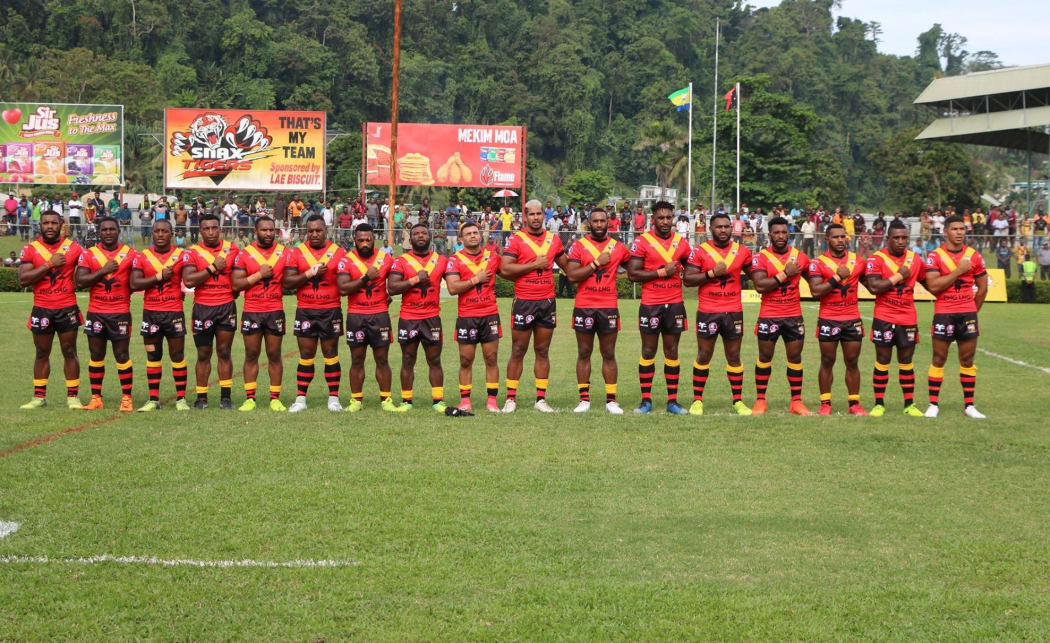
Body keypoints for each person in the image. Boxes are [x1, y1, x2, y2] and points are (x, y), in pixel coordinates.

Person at [499, 199, 569, 413]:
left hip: (547, 302)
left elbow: (570, 268)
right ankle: (511, 398)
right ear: (525, 216)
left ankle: (541, 399)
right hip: (524, 302)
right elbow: (505, 269)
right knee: (518, 350)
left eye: (539, 214)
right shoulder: (516, 239)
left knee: (542, 350)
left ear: (543, 216)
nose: (536, 217)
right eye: (532, 214)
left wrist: (594, 266)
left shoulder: (554, 240)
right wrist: (534, 265)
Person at [682, 212, 753, 416]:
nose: (723, 230)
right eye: (719, 227)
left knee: (734, 356)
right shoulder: (700, 251)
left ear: (732, 228)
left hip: (733, 312)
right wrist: (712, 273)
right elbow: (688, 279)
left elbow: (757, 276)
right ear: (710, 229)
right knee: (704, 355)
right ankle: (697, 401)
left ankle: (738, 401)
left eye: (726, 226)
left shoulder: (742, 252)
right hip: (708, 312)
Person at [564, 207, 632, 414]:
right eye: (596, 221)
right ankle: (584, 399)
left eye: (603, 221)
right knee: (584, 352)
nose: (600, 224)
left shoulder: (618, 247)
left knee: (608, 353)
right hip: (584, 306)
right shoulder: (579, 246)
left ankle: (611, 400)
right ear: (589, 224)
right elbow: (572, 276)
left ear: (608, 223)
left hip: (608, 306)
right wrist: (595, 263)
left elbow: (635, 269)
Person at [626, 200, 691, 415]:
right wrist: (662, 272)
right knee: (648, 351)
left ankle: (672, 401)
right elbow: (633, 274)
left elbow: (691, 273)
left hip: (674, 304)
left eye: (669, 218)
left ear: (673, 219)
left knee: (672, 351)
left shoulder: (682, 243)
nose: (665, 221)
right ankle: (646, 401)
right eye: (661, 218)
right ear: (652, 219)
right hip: (651, 305)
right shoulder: (642, 242)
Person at [922, 215, 988, 419]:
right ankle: (933, 404)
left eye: (962, 229)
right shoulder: (935, 256)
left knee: (967, 359)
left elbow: (983, 288)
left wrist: (970, 310)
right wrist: (959, 271)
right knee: (939, 358)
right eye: (955, 229)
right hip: (944, 313)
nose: (959, 232)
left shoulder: (974, 255)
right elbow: (933, 286)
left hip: (967, 313)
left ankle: (969, 405)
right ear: (945, 232)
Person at [18, 210, 85, 409]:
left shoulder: (74, 248)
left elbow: (86, 272)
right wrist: (49, 264)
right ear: (40, 225)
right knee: (41, 352)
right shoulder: (31, 249)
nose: (49, 226)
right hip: (42, 308)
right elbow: (23, 280)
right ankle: (39, 397)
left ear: (61, 224)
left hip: (67, 308)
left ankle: (73, 397)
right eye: (45, 223)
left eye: (53, 223)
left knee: (69, 351)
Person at [283, 215, 347, 413]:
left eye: (318, 230)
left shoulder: (338, 252)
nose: (314, 234)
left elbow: (347, 280)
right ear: (306, 232)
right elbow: (288, 283)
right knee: (306, 355)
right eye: (310, 231)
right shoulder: (297, 252)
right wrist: (310, 273)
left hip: (330, 309)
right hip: (306, 310)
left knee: (330, 354)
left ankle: (334, 399)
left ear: (326, 230)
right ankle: (301, 399)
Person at [749, 216, 812, 415]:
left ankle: (796, 402)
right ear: (770, 235)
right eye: (776, 232)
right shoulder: (761, 257)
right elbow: (760, 285)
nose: (781, 236)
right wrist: (785, 273)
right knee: (765, 356)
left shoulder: (800, 257)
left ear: (789, 234)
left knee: (795, 357)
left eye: (784, 232)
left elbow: (816, 284)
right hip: (769, 315)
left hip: (793, 315)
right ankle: (760, 400)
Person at [863, 220, 926, 417]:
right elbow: (874, 287)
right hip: (884, 316)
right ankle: (879, 403)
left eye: (904, 238)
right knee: (882, 359)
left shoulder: (915, 260)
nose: (900, 241)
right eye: (896, 238)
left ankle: (909, 404)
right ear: (887, 239)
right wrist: (899, 276)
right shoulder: (876, 259)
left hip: (907, 318)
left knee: (906, 361)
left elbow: (929, 282)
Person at [74, 217, 137, 412]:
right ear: (99, 233)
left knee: (122, 354)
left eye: (111, 229)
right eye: (104, 230)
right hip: (96, 313)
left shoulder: (130, 254)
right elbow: (80, 281)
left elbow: (134, 283)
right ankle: (96, 398)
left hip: (120, 313)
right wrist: (104, 270)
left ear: (119, 231)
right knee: (96, 354)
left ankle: (126, 398)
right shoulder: (88, 254)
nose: (108, 232)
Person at [129, 220, 189, 411]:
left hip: (174, 313)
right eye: (157, 231)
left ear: (172, 234)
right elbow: (134, 284)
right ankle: (153, 399)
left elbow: (188, 279)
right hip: (151, 314)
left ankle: (181, 400)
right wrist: (158, 277)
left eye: (164, 231)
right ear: (152, 233)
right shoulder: (142, 257)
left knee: (177, 355)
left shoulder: (181, 255)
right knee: (153, 355)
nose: (160, 234)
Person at [230, 216, 290, 412]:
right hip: (252, 310)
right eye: (264, 230)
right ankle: (250, 398)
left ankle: (275, 398)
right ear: (256, 231)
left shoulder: (284, 253)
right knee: (251, 354)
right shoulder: (245, 254)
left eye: (272, 230)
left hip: (274, 310)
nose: (268, 233)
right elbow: (236, 284)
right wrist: (258, 275)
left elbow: (291, 281)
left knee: (274, 354)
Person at [335, 223, 396, 412]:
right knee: (357, 359)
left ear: (374, 239)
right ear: (354, 239)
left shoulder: (385, 259)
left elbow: (393, 285)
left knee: (382, 359)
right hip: (356, 316)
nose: (364, 243)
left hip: (379, 316)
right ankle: (356, 400)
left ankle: (386, 400)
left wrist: (388, 295)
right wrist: (365, 278)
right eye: (360, 240)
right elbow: (343, 289)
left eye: (368, 239)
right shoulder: (346, 260)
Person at [181, 213, 240, 410]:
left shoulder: (232, 248)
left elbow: (238, 278)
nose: (211, 232)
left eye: (214, 228)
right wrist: (213, 268)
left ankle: (225, 398)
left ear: (220, 228)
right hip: (203, 308)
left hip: (226, 307)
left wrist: (234, 291)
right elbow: (189, 280)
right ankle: (201, 398)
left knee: (224, 352)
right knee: (203, 353)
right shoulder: (192, 252)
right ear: (200, 231)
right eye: (206, 228)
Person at [807, 223, 866, 416]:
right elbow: (815, 291)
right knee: (827, 360)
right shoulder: (818, 263)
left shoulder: (858, 261)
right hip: (829, 319)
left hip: (852, 319)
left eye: (843, 237)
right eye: (836, 237)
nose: (840, 240)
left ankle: (854, 404)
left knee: (852, 361)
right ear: (827, 240)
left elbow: (873, 285)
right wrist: (836, 278)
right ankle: (825, 403)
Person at [387, 223, 448, 412]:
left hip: (432, 317)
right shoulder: (401, 261)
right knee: (407, 359)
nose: (420, 236)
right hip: (408, 317)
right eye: (416, 234)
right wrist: (415, 279)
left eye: (424, 233)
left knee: (435, 360)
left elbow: (455, 280)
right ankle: (407, 401)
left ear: (430, 237)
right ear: (410, 238)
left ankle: (438, 401)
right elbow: (393, 287)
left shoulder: (441, 260)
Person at [444, 221, 503, 413]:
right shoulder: (454, 259)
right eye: (468, 233)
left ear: (481, 235)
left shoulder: (493, 257)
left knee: (491, 358)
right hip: (467, 316)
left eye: (475, 232)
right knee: (465, 360)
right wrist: (475, 280)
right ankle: (465, 401)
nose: (473, 236)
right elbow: (453, 288)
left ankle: (492, 402)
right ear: (461, 239)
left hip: (489, 314)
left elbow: (509, 271)